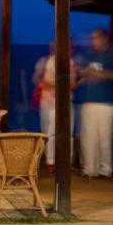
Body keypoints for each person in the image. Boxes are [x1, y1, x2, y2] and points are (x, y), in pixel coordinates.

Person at [77, 29, 113, 179]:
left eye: (95, 38)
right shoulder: (91, 54)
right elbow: (85, 72)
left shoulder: (112, 55)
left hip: (107, 102)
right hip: (90, 99)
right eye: (92, 38)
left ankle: (105, 169)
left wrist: (102, 75)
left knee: (104, 136)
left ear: (104, 39)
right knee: (88, 135)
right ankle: (90, 168)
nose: (93, 41)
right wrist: (83, 73)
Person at [32, 41, 79, 171]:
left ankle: (66, 161)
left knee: (68, 132)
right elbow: (37, 80)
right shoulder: (45, 61)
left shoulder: (71, 63)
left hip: (66, 101)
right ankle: (51, 161)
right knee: (50, 132)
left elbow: (73, 85)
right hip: (49, 101)